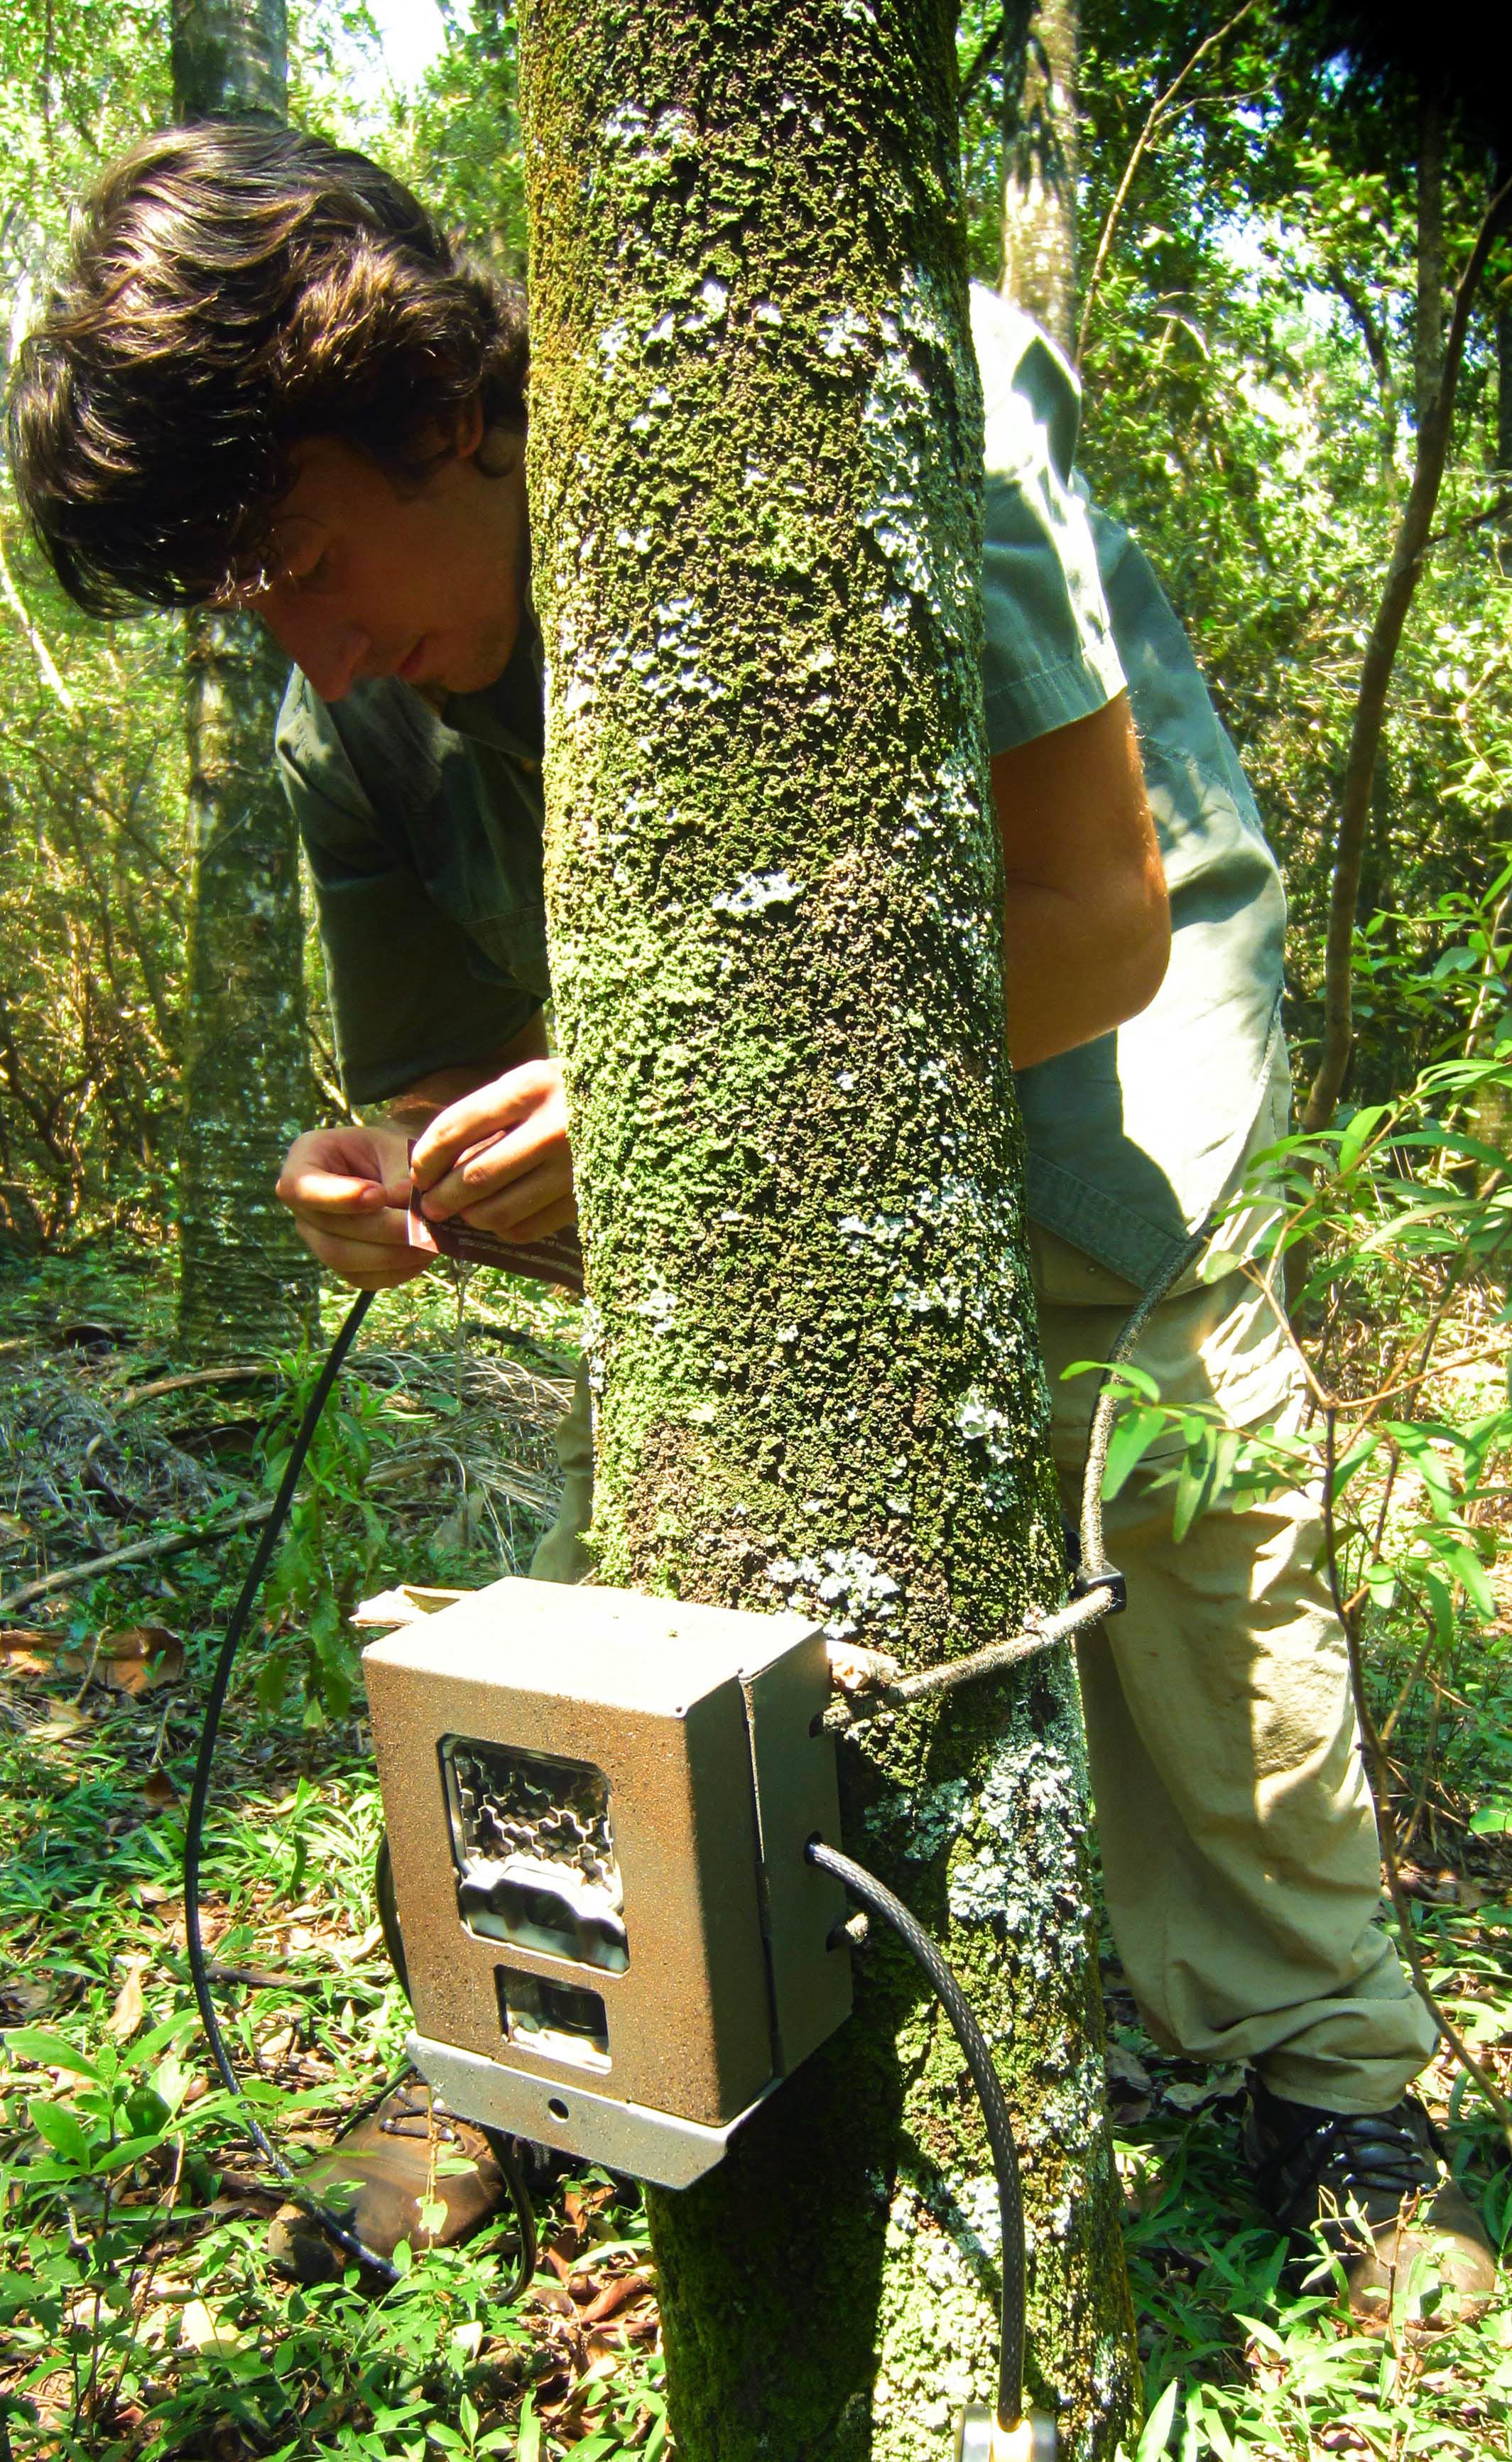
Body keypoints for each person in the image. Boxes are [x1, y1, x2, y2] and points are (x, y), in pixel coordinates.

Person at [8, 121, 1493, 2320]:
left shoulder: (879, 406)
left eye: (310, 562)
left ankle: (1334, 2081)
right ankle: (563, 2041)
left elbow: (1094, 924)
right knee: (701, 1521)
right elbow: (433, 1076)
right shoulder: (364, 725)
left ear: (427, 401)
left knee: (1183, 1513)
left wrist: (679, 1105)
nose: (313, 657)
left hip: (1115, 1074)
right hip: (752, 1162)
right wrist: (398, 1178)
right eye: (255, 609)